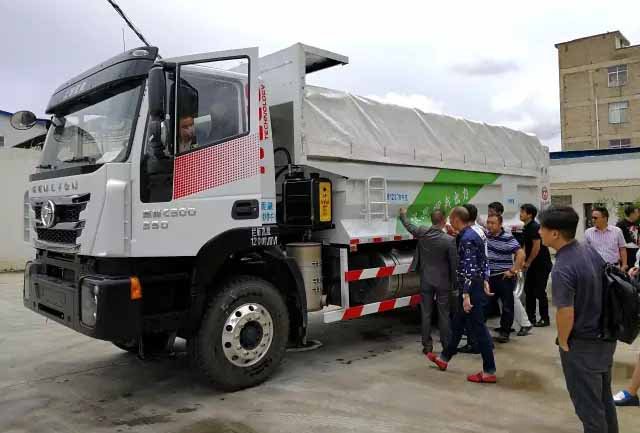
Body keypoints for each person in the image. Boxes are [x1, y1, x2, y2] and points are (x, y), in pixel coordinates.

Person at [539, 206, 618, 433]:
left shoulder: (562, 267)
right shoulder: (588, 250)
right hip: (604, 338)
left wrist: (563, 342)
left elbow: (566, 312)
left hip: (583, 345)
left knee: (589, 410)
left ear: (555, 233)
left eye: (543, 228)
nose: (540, 232)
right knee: (603, 401)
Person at [427, 207, 497, 384]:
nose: (450, 222)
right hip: (478, 283)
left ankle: (489, 371)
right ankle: (444, 358)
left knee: (479, 328)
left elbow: (469, 269)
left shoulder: (467, 239)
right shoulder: (478, 231)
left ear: (457, 219)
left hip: (471, 287)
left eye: (451, 219)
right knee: (457, 323)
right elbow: (484, 258)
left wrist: (466, 295)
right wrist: (486, 279)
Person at [399, 208, 458, 354]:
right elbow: (454, 265)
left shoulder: (422, 233)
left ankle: (427, 346)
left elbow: (409, 226)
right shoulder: (449, 241)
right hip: (443, 282)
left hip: (426, 279)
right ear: (444, 221)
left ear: (432, 220)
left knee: (426, 313)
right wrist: (455, 284)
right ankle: (446, 346)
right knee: (443, 314)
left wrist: (403, 215)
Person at [486, 213, 525, 343]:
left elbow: (521, 254)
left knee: (507, 306)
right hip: (489, 277)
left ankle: (505, 332)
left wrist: (513, 270)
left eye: (493, 223)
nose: (490, 225)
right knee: (485, 304)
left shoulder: (508, 238)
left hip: (504, 277)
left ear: (500, 224)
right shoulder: (486, 235)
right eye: (488, 222)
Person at [520, 203, 552, 327]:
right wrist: (522, 259)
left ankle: (545, 318)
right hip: (532, 264)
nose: (520, 214)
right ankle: (530, 317)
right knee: (529, 290)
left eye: (523, 212)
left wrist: (528, 262)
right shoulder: (526, 227)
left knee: (539, 291)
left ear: (530, 215)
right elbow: (525, 246)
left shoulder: (534, 227)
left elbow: (536, 247)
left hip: (541, 264)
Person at [585, 206, 628, 271]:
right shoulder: (588, 232)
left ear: (605, 218)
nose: (593, 220)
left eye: (595, 218)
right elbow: (585, 251)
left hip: (614, 268)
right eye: (592, 217)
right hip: (596, 269)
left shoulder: (617, 231)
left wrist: (624, 265)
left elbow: (622, 249)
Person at [615, 204, 639, 269]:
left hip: (636, 253)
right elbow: (617, 241)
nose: (638, 214)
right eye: (637, 212)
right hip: (627, 254)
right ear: (632, 214)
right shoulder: (620, 224)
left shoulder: (637, 223)